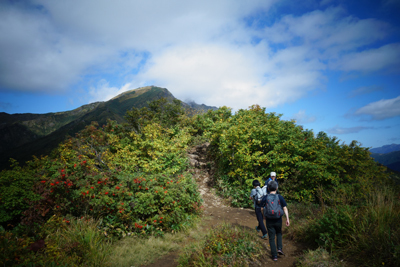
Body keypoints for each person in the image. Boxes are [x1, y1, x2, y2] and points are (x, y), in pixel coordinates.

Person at [264, 180, 290, 261]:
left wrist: (263, 216)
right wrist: (287, 219)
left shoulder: (265, 197)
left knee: (271, 237)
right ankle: (279, 248)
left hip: (269, 220)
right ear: (277, 188)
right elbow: (285, 208)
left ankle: (274, 256)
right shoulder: (280, 197)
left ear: (268, 188)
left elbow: (261, 208)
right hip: (278, 219)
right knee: (279, 233)